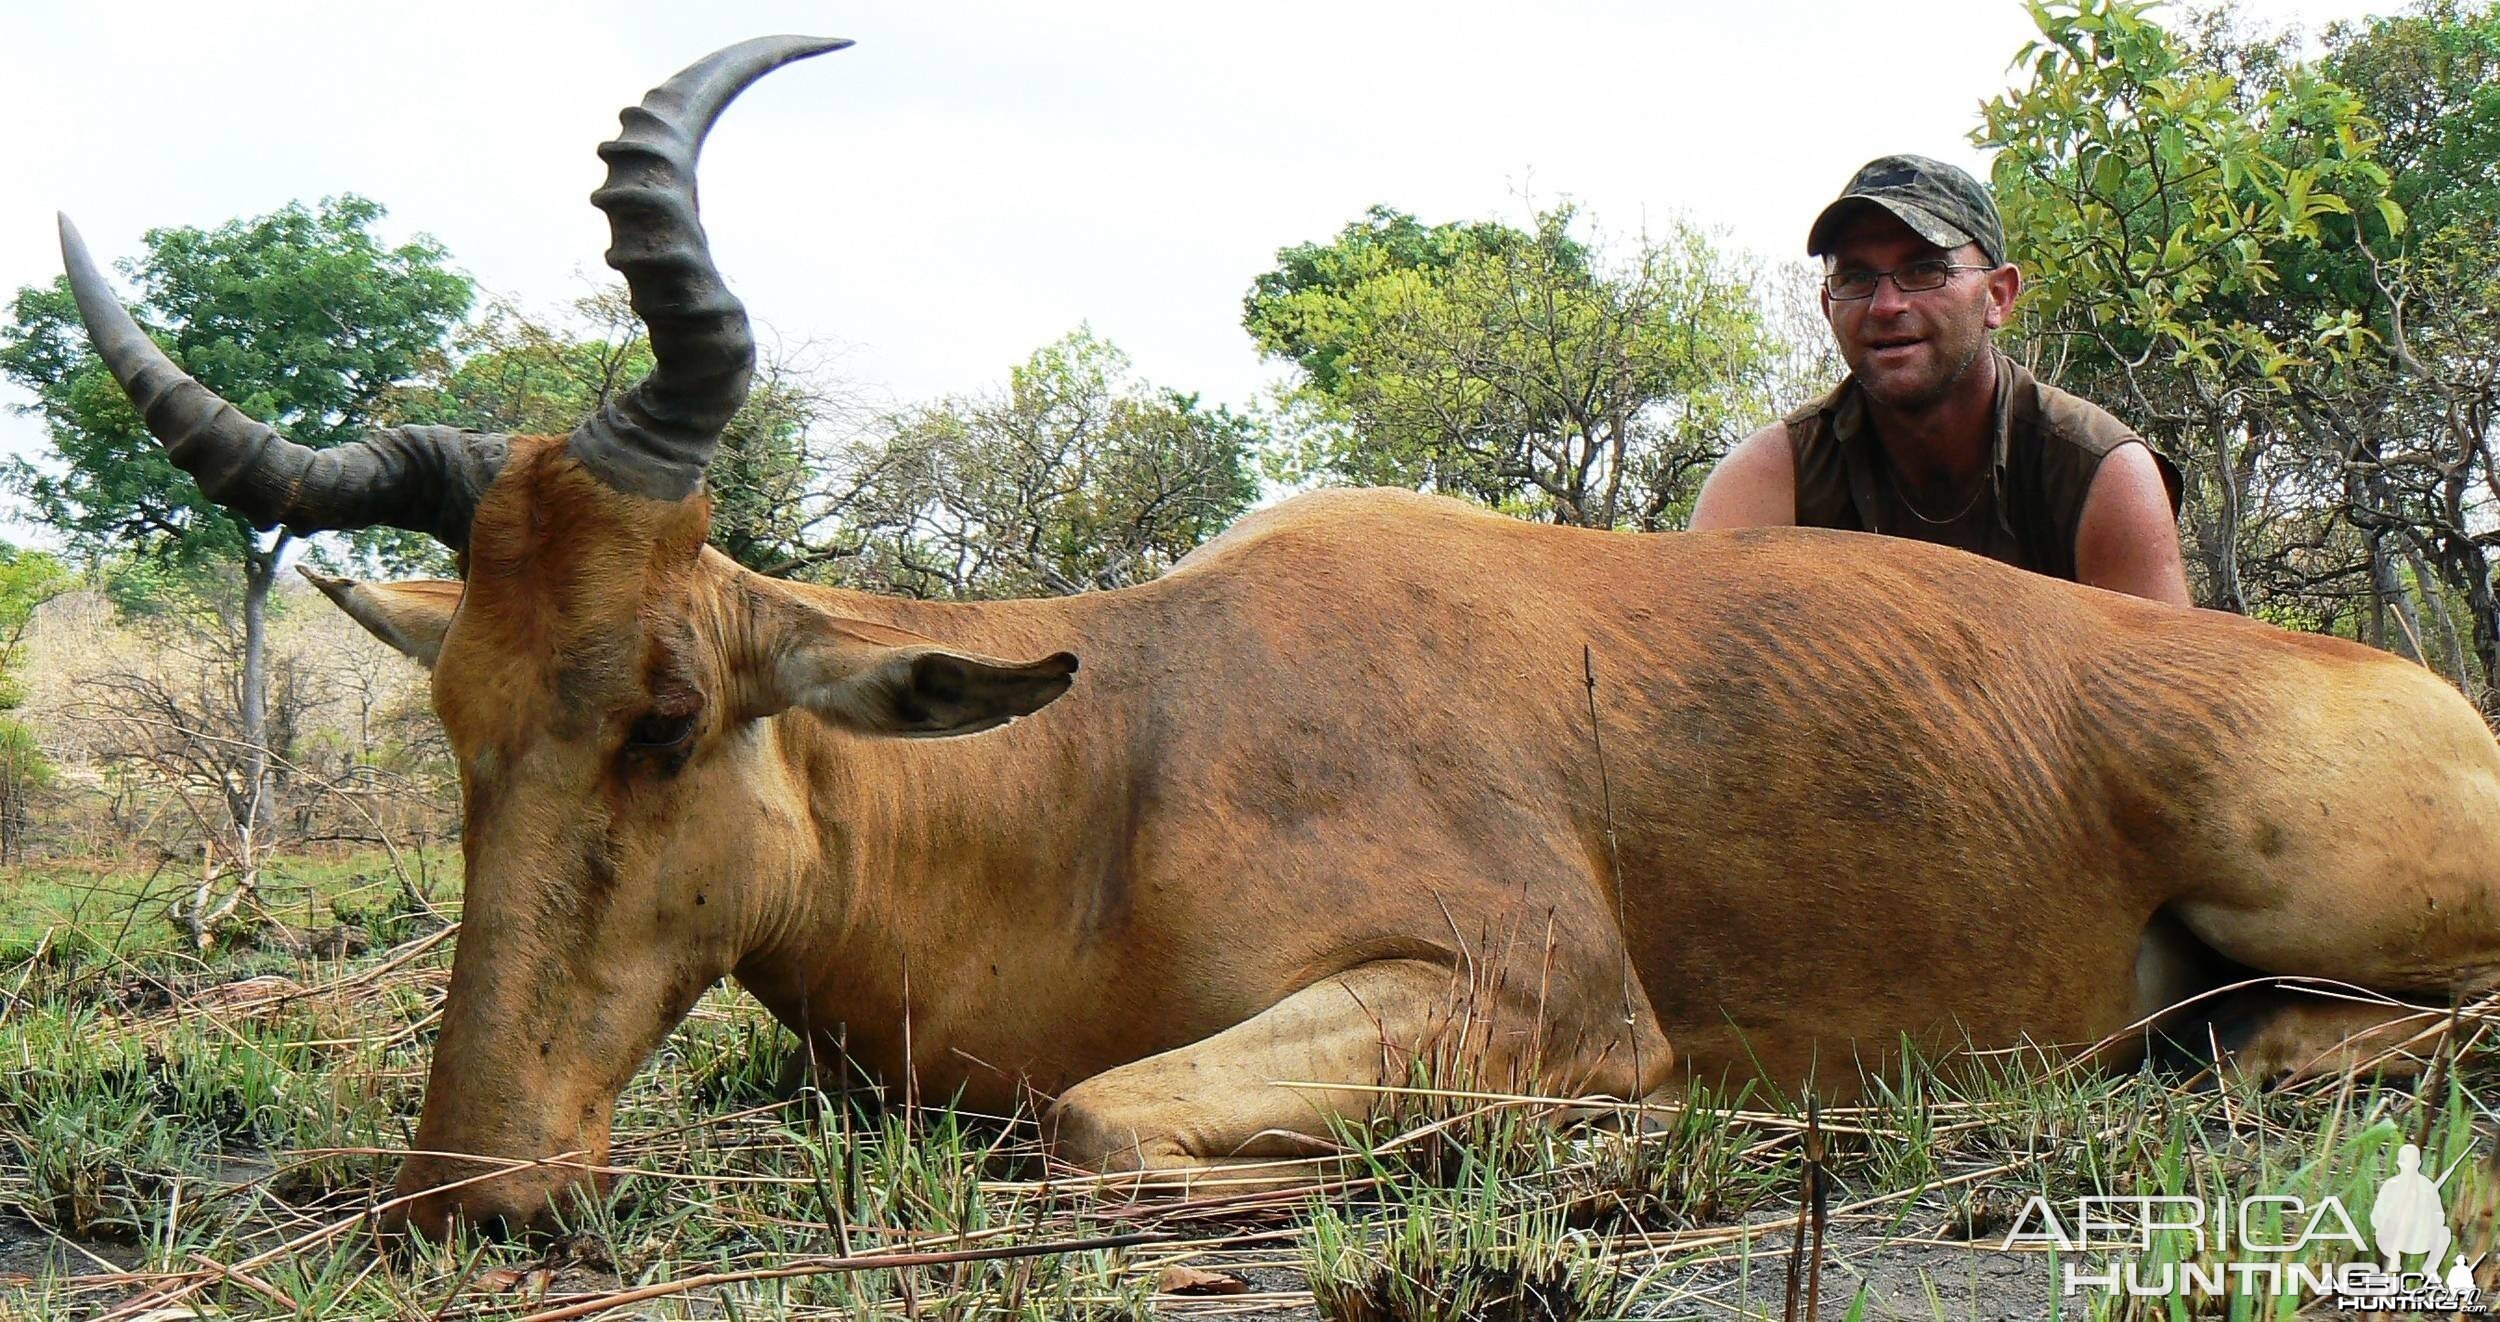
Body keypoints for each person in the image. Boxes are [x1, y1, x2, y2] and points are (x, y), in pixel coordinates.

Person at [1689, 155, 2193, 606]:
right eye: (1856, 278)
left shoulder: (2099, 473)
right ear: (1827, 306)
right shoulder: (1769, 482)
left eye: (1926, 269)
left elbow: (2162, 699)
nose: (1886, 306)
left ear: (1998, 296)